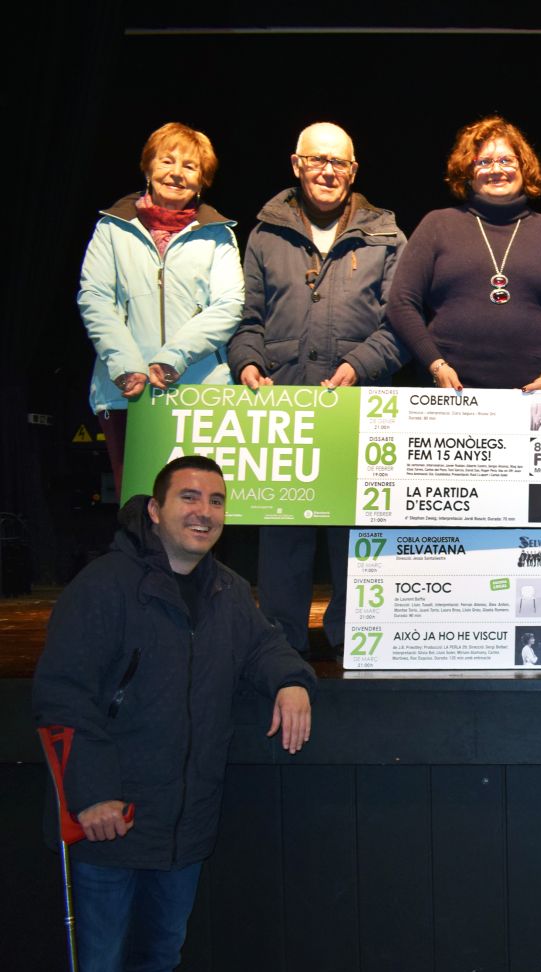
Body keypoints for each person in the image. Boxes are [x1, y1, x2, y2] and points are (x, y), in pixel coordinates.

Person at [32, 456, 314, 972]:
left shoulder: (226, 591)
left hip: (183, 830)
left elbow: (265, 647)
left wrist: (292, 682)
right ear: (156, 510)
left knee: (157, 968)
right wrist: (92, 794)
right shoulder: (105, 587)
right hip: (107, 826)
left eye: (215, 501)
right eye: (189, 498)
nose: (203, 513)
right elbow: (62, 694)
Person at [229, 122, 406, 659]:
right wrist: (247, 363)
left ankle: (352, 636)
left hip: (360, 408)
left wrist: (358, 364)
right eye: (317, 160)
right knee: (283, 532)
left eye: (340, 163)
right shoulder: (265, 234)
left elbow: (401, 326)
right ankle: (279, 643)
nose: (328, 171)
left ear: (354, 171)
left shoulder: (387, 235)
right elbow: (246, 320)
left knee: (356, 533)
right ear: (296, 164)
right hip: (285, 408)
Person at [78, 123, 243, 493]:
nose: (176, 173)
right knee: (136, 501)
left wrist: (173, 358)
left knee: (198, 503)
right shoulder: (111, 229)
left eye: (189, 166)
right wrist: (126, 367)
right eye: (167, 161)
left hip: (201, 393)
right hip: (125, 392)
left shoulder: (220, 234)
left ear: (202, 181)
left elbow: (229, 304)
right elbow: (96, 298)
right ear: (148, 168)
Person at [388, 115, 541, 391]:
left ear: (524, 167)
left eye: (506, 160)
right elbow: (401, 302)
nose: (496, 169)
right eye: (484, 162)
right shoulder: (437, 224)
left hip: (533, 396)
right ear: (467, 170)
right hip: (449, 393)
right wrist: (436, 364)